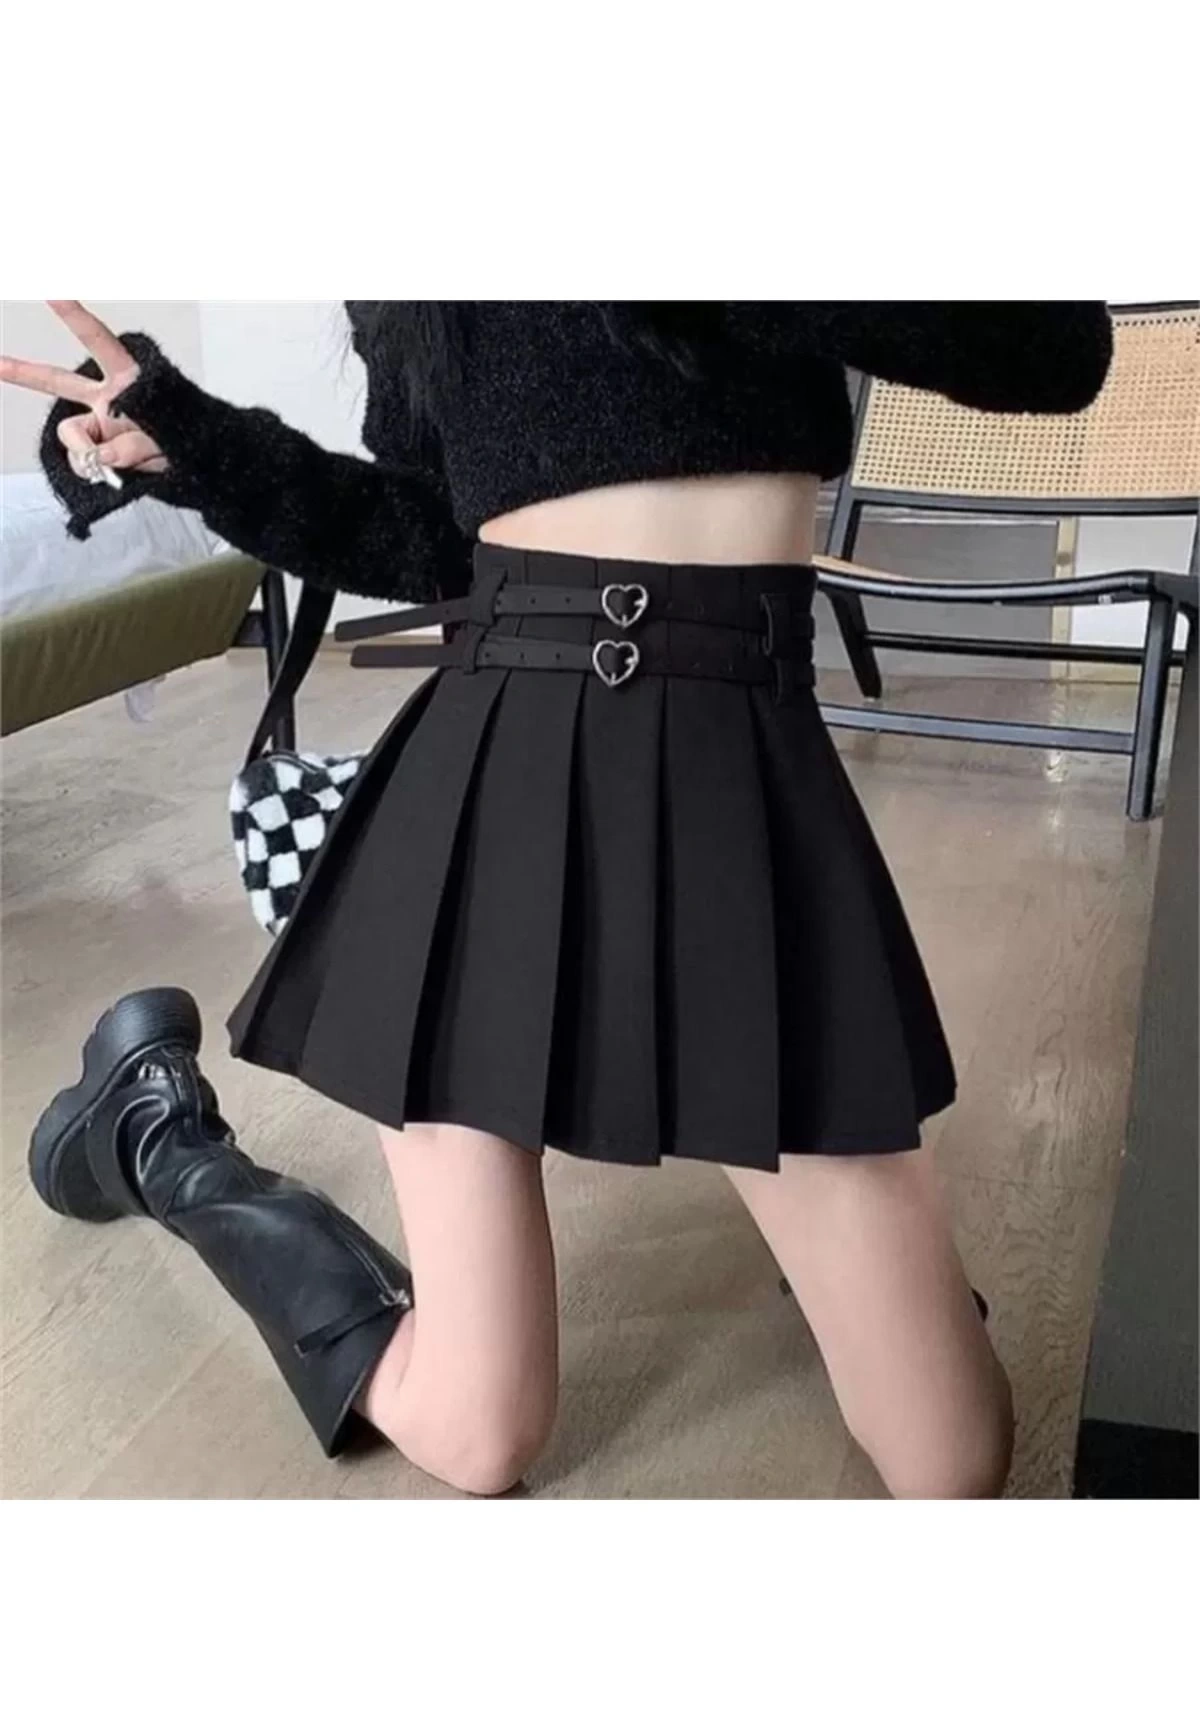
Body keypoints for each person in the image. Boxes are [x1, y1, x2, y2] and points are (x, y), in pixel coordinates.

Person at [4, 299, 1113, 1499]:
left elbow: (1051, 351)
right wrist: (197, 445)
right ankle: (160, 1141)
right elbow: (431, 536)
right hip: (499, 781)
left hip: (740, 776)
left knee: (953, 1463)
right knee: (478, 1431)